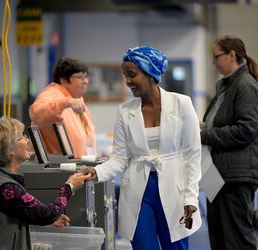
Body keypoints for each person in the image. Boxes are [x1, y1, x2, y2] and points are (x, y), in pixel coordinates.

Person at [83, 46, 202, 250]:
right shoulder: (124, 111)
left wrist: (191, 196)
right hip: (139, 191)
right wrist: (97, 172)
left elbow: (192, 154)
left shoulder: (181, 104)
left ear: (150, 73)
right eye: (125, 75)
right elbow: (120, 158)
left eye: (132, 75)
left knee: (175, 247)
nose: (127, 81)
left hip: (175, 188)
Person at [0, 117, 91, 249]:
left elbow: (13, 216)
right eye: (22, 137)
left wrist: (44, 221)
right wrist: (69, 187)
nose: (27, 141)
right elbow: (48, 214)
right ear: (9, 149)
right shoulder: (6, 188)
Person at [200, 35, 258, 250]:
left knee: (237, 240)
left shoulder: (245, 86)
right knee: (219, 238)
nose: (213, 62)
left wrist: (203, 136)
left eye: (216, 56)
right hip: (218, 175)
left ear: (231, 55)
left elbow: (245, 131)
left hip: (236, 177)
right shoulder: (227, 86)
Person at [29, 57, 96, 158]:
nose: (85, 81)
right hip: (59, 168)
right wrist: (65, 103)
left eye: (86, 77)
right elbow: (36, 113)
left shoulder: (76, 98)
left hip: (80, 164)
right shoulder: (52, 94)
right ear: (64, 80)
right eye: (80, 77)